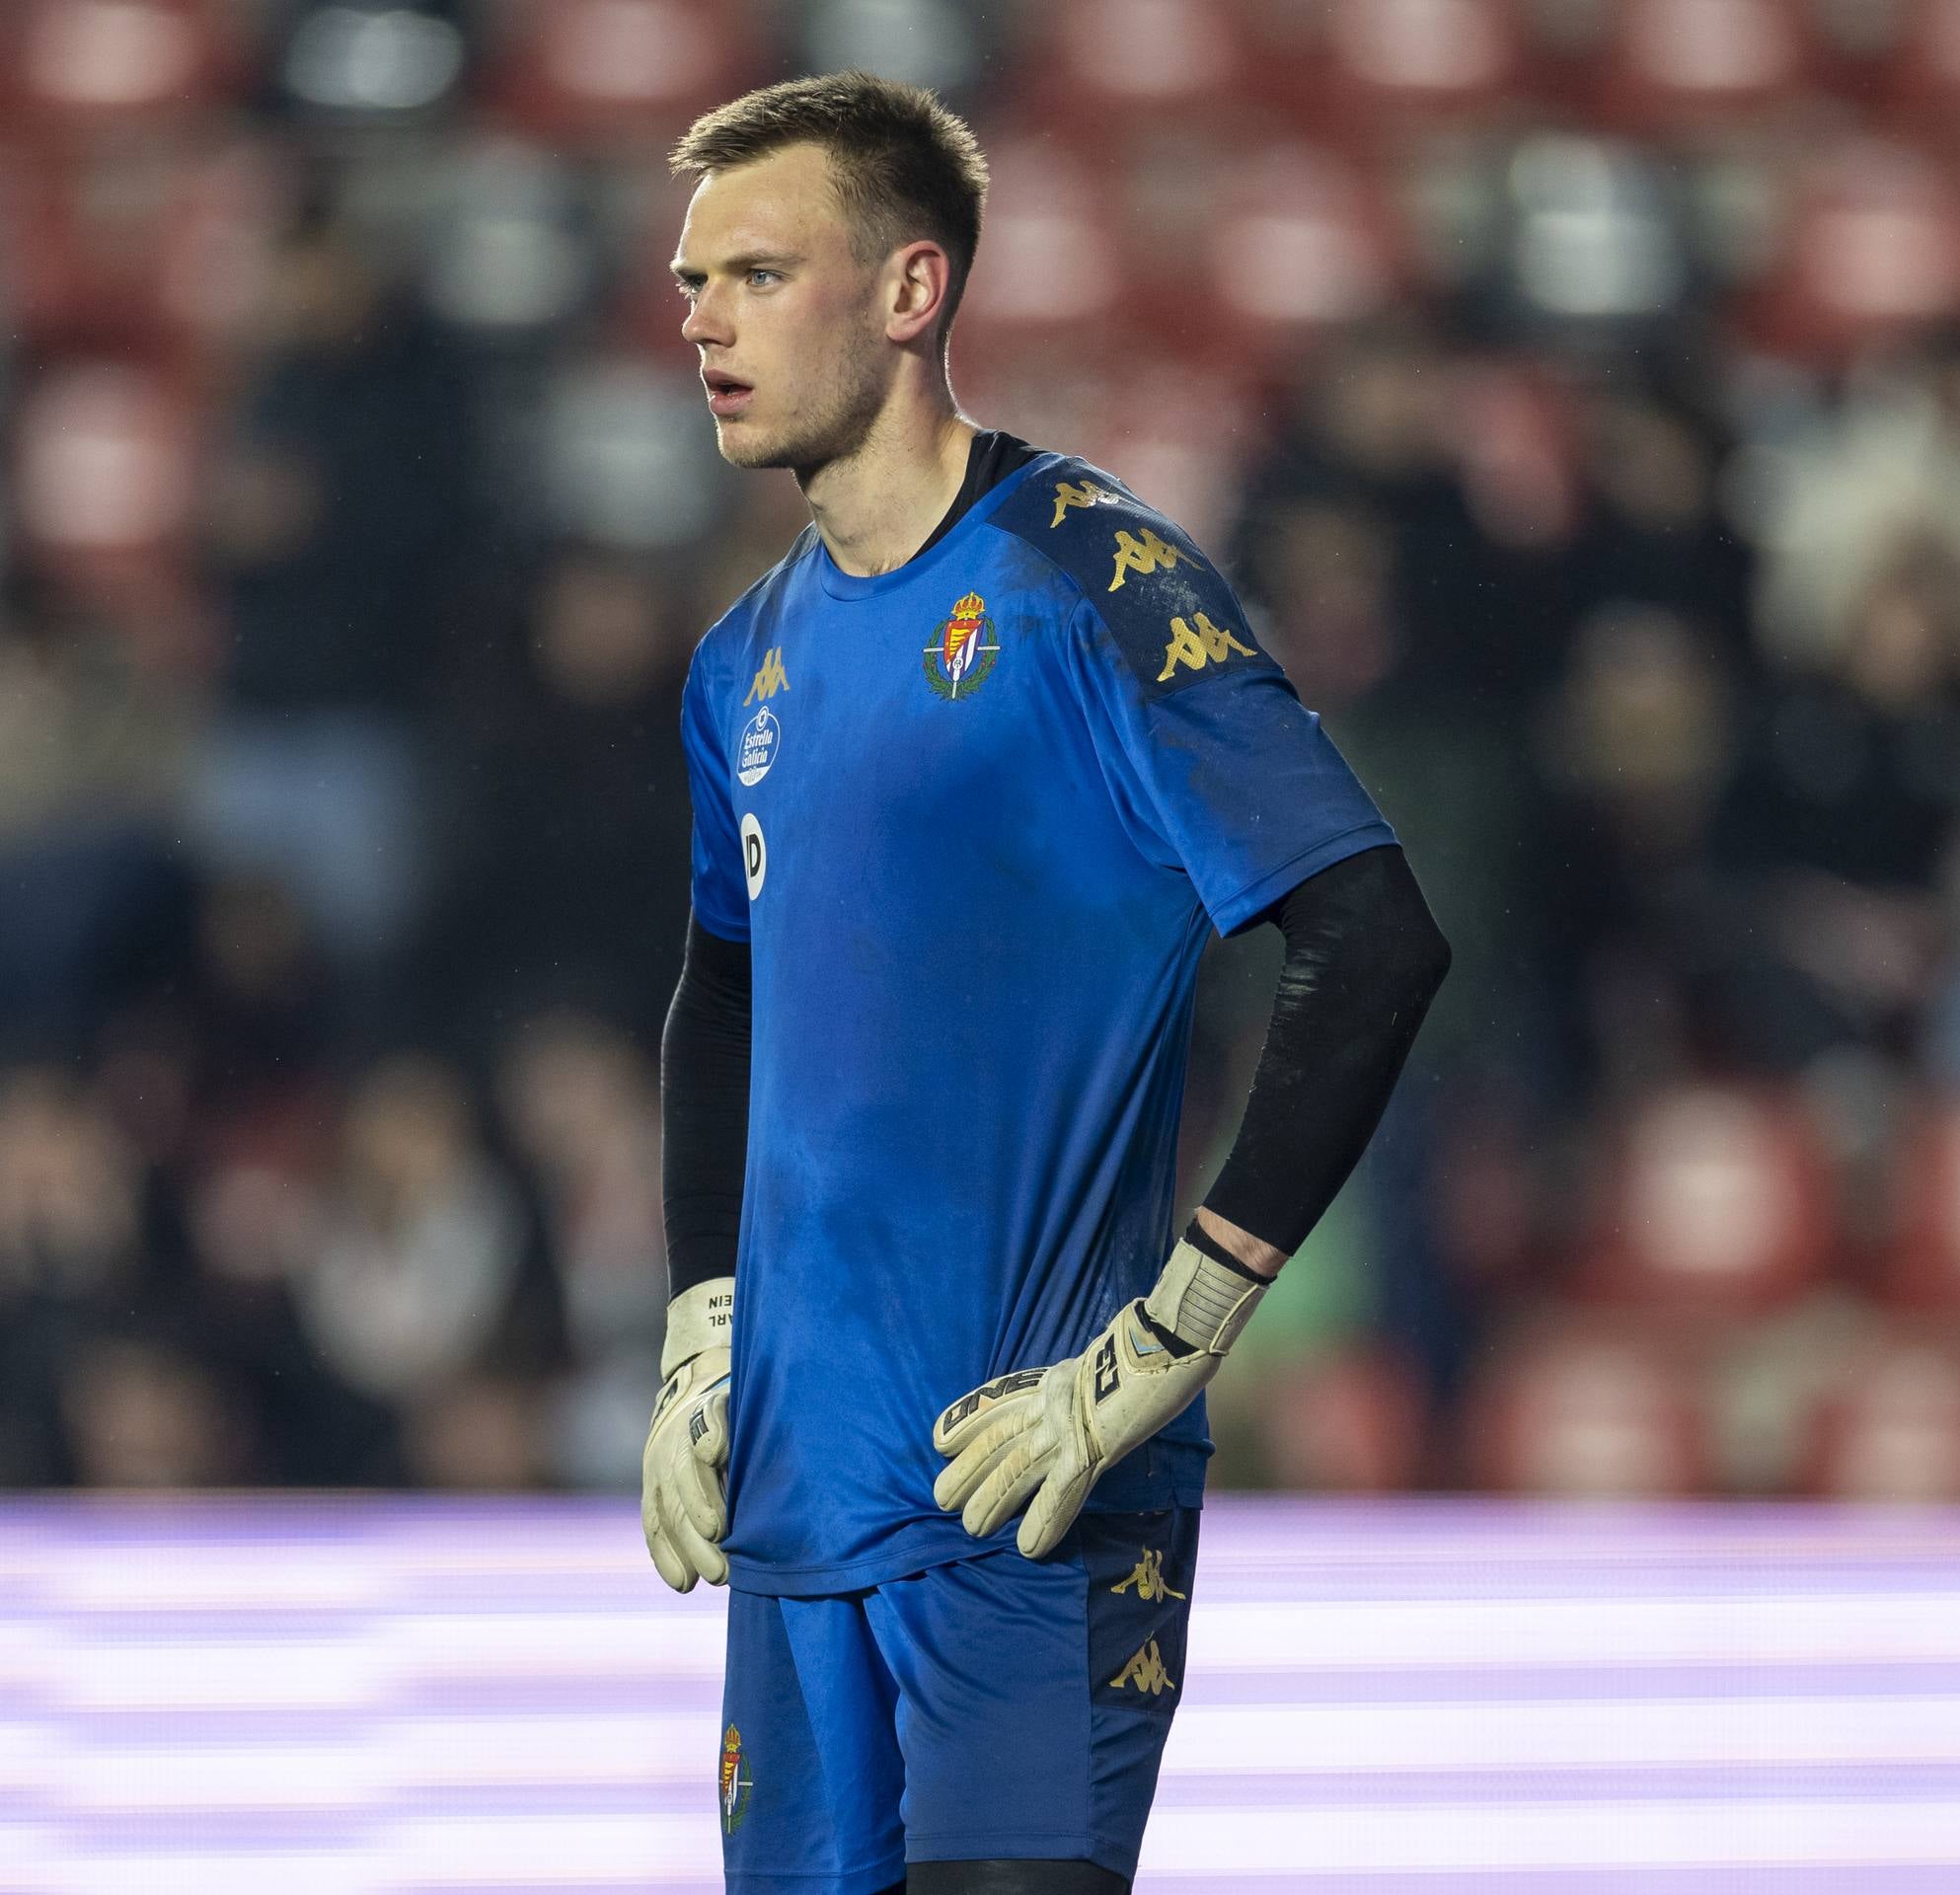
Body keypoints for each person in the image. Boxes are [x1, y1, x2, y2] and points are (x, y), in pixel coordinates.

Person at [642, 74, 1452, 1895]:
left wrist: (1164, 1345)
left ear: (912, 291)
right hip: (794, 1499)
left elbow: (1377, 943)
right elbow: (724, 1001)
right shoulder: (742, 661)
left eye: (757, 274)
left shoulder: (1092, 579)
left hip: (1036, 1492)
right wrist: (704, 1339)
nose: (699, 320)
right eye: (691, 282)